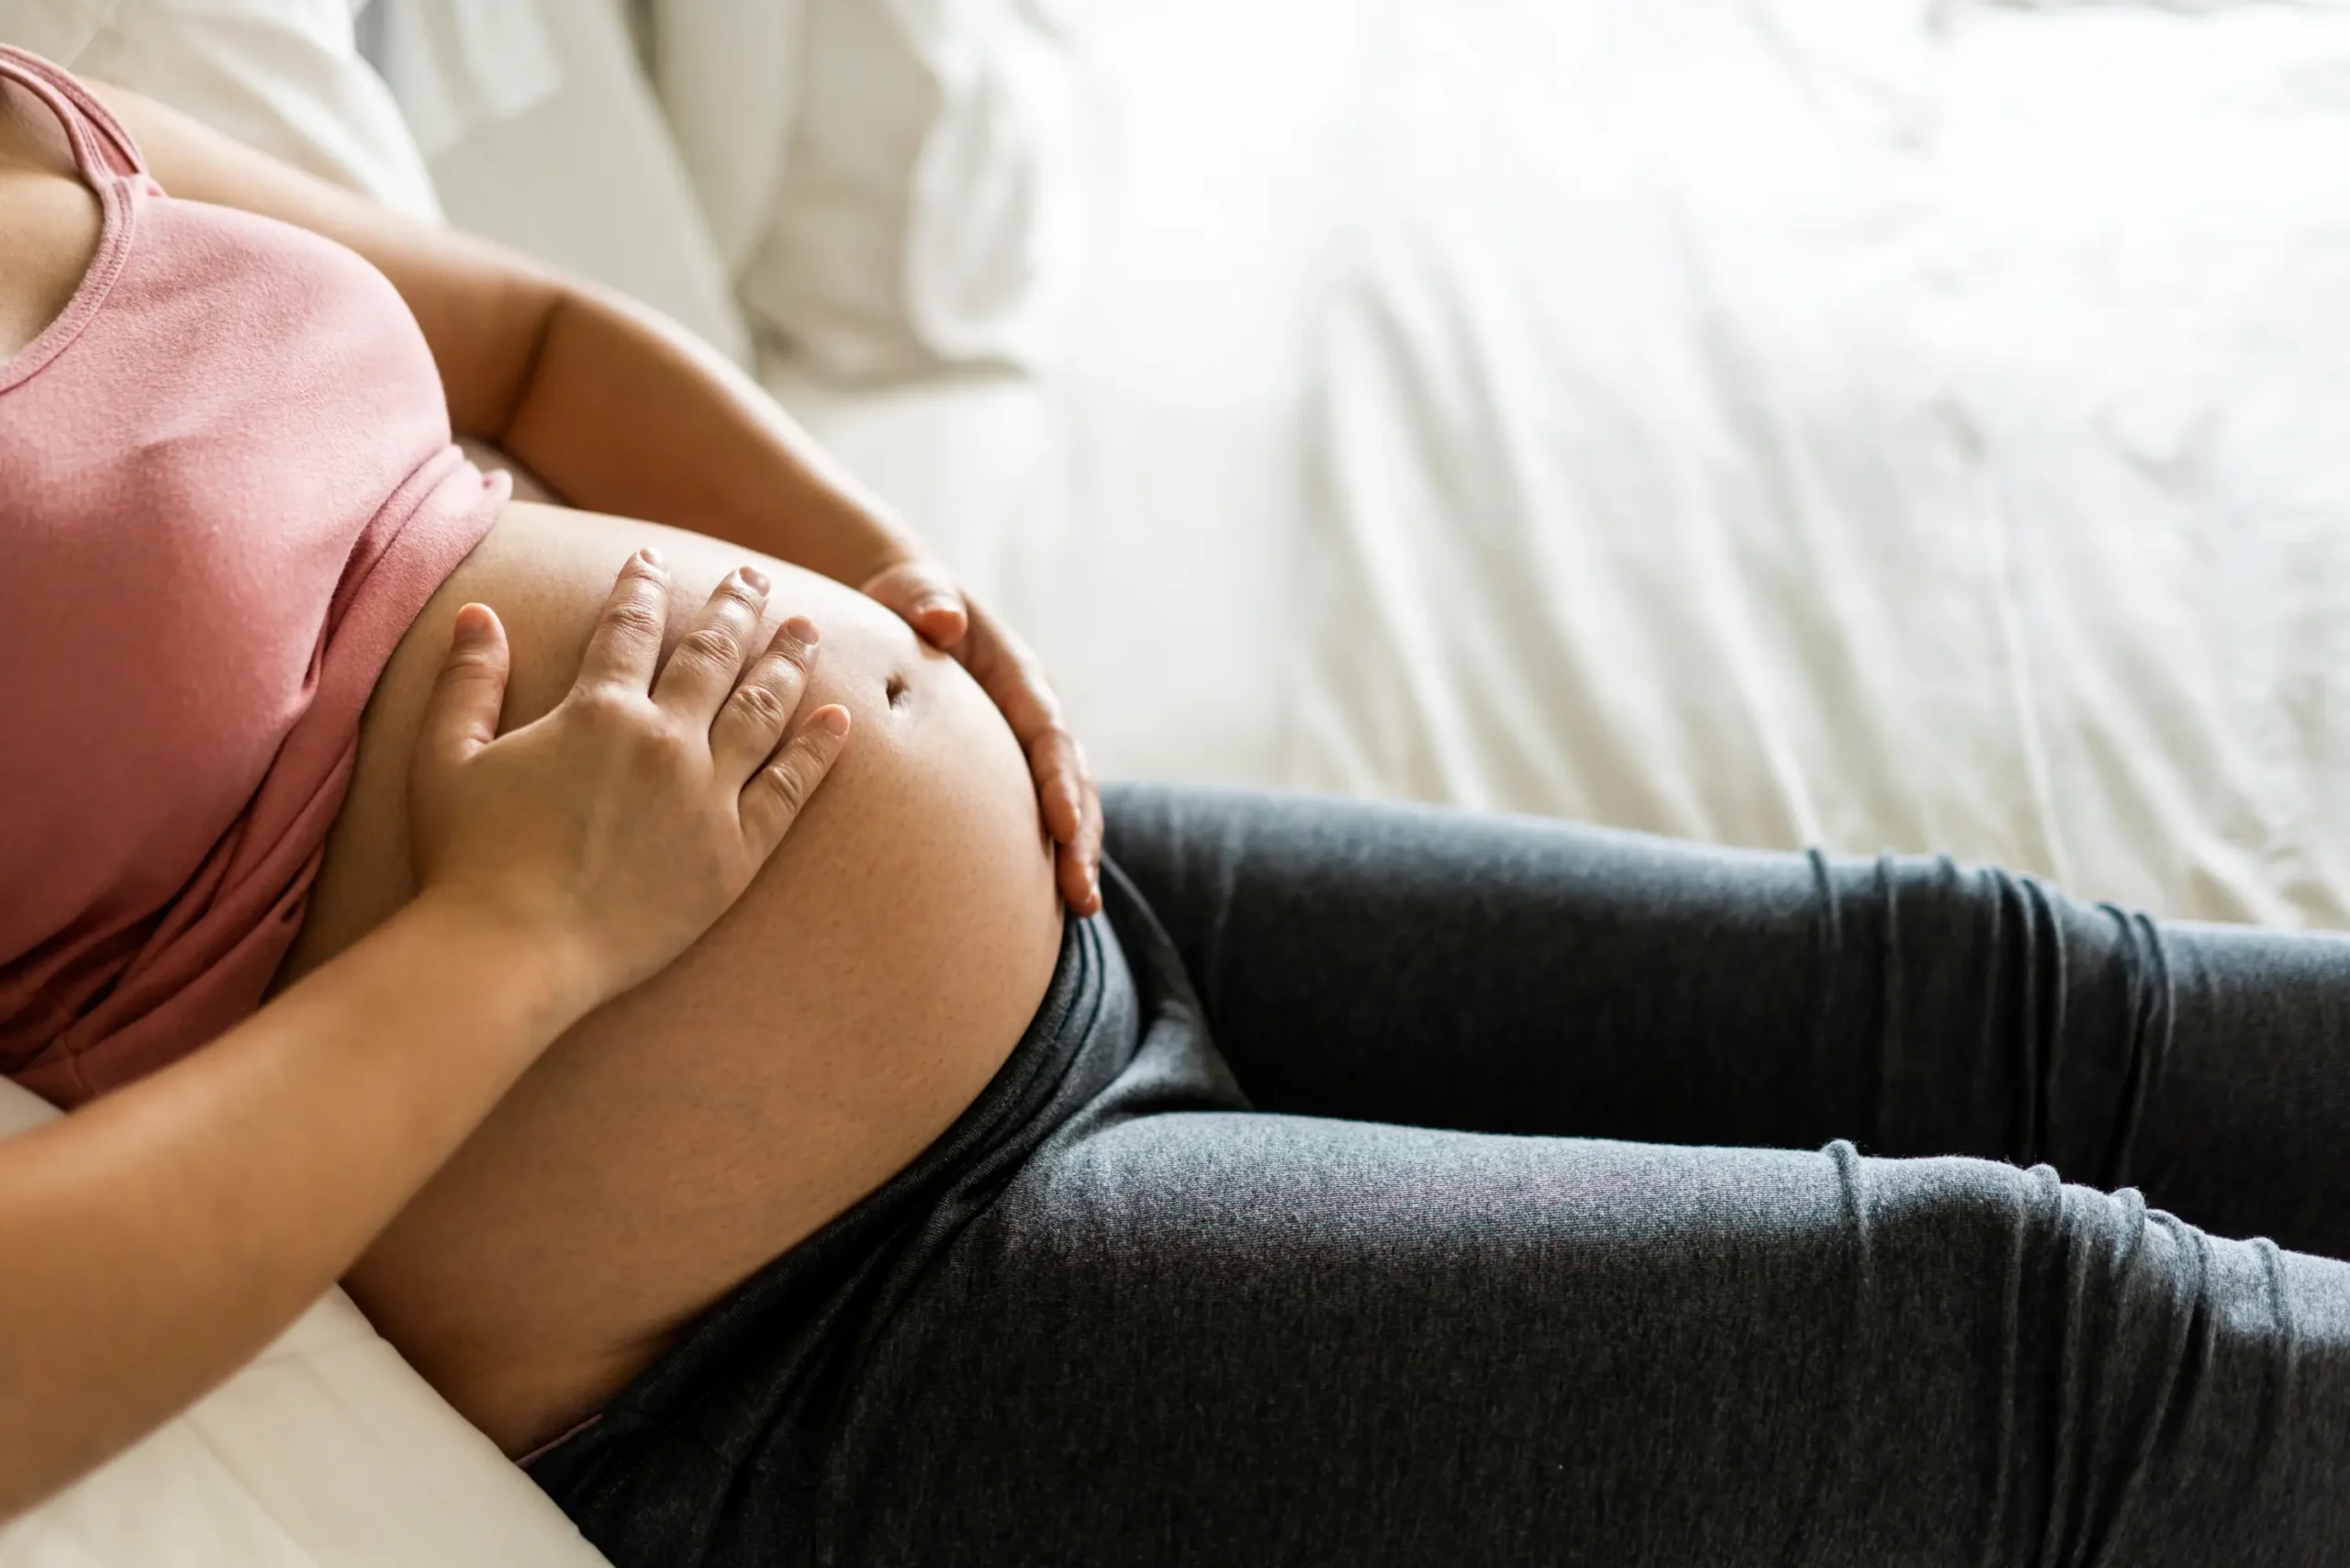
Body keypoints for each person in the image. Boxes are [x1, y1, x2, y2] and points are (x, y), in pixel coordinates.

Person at [3, 41, 2348, 1567]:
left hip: (1085, 891)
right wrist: (511, 940)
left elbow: (519, 337)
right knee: (2045, 1343)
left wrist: (911, 601)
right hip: (830, 1320)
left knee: (2001, 987)